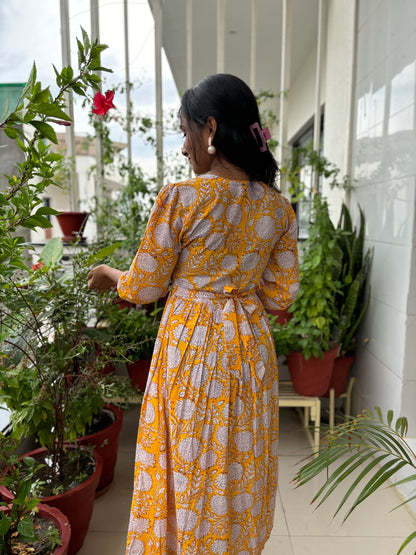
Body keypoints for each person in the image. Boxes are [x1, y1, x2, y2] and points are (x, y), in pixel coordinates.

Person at [87, 73, 299, 555]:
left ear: (209, 129)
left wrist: (105, 272)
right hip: (249, 353)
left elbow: (143, 286)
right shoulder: (279, 210)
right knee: (235, 455)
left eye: (185, 133)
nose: (183, 148)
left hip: (193, 350)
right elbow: (281, 294)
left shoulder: (182, 199)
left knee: (186, 454)